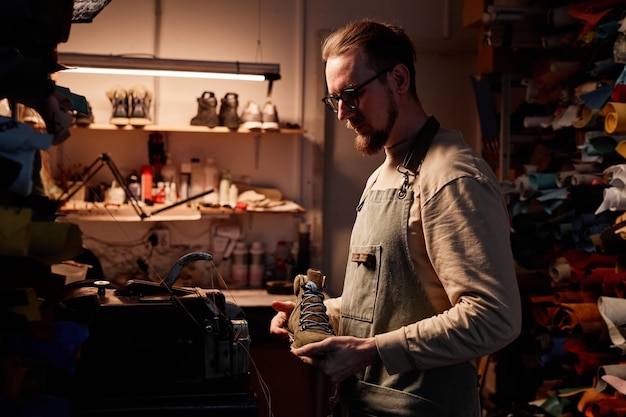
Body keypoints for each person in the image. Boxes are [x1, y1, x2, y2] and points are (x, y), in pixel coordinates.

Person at [270, 19, 521, 417]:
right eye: (334, 99)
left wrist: (370, 351)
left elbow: (494, 318)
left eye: (352, 95)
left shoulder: (450, 176)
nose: (342, 114)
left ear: (399, 79)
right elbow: (387, 303)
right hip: (366, 406)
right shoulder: (383, 174)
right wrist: (319, 316)